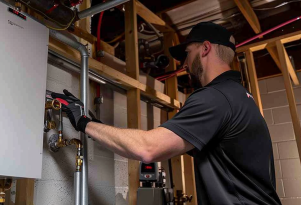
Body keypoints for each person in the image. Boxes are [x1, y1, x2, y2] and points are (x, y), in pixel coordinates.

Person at [52, 22, 281, 205]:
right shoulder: (239, 97)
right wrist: (98, 127)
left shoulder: (214, 98)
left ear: (205, 48)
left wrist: (82, 122)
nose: (184, 64)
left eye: (187, 53)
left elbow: (148, 148)